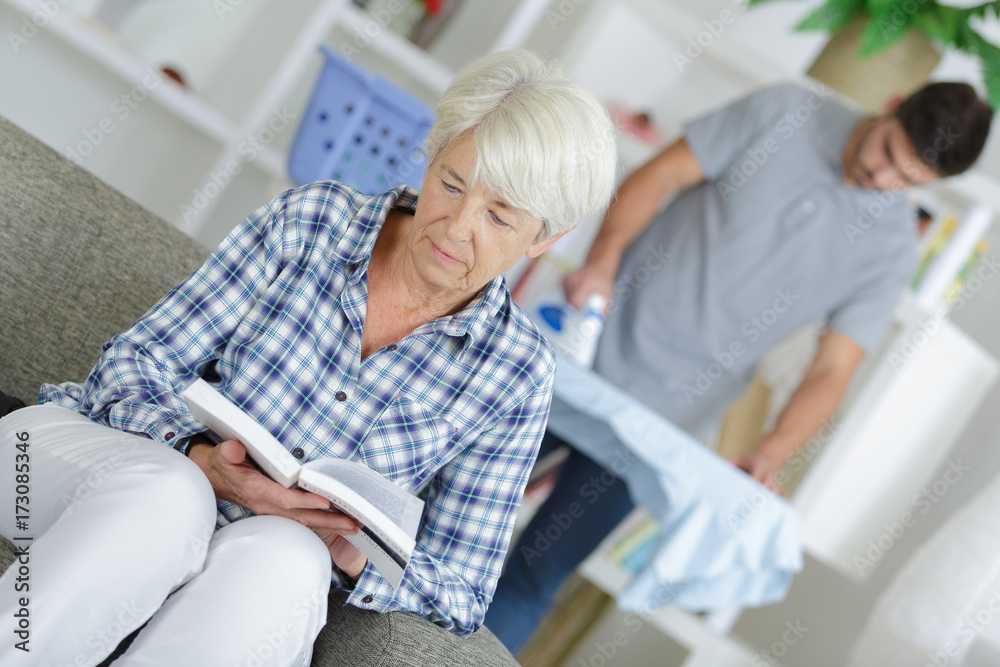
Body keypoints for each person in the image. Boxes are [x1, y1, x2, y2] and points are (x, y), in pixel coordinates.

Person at [0, 48, 616, 666]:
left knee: (288, 560)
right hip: (70, 466)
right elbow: (131, 366)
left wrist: (352, 552)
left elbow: (464, 589)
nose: (456, 227)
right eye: (450, 185)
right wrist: (200, 456)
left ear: (545, 238)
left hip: (250, 558)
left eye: (498, 217)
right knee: (171, 495)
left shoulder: (515, 373)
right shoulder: (315, 221)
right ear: (431, 156)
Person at [485, 80, 994, 653]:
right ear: (891, 104)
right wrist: (601, 262)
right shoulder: (785, 111)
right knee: (442, 509)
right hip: (579, 353)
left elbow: (832, 369)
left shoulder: (892, 250)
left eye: (909, 181)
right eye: (888, 155)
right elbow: (658, 176)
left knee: (534, 576)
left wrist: (770, 454)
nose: (883, 180)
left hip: (665, 426)